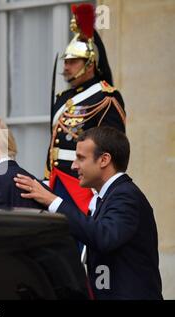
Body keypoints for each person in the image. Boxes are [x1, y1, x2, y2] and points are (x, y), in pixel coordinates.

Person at [15, 126, 162, 300]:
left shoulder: (125, 195)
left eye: (80, 158)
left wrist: (53, 201)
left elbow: (104, 237)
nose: (73, 165)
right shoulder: (109, 196)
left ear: (104, 160)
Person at [45, 3, 126, 215]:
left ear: (89, 64)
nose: (66, 66)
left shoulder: (105, 97)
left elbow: (113, 148)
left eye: (72, 61)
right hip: (58, 183)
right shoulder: (63, 98)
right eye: (66, 61)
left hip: (85, 189)